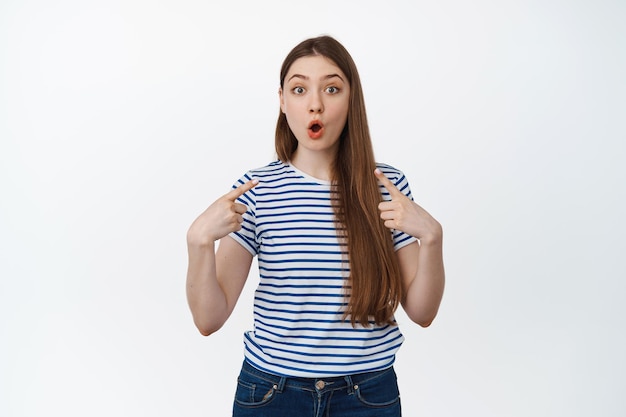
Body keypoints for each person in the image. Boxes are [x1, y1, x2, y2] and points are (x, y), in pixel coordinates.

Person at [186, 35, 445, 417]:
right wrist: (198, 243)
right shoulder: (257, 190)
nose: (315, 104)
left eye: (332, 88)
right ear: (282, 101)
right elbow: (209, 319)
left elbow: (422, 313)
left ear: (351, 98)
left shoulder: (387, 186)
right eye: (299, 88)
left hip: (367, 395)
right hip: (272, 394)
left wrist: (433, 238)